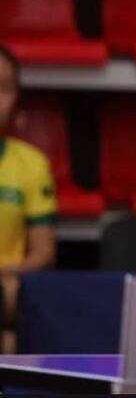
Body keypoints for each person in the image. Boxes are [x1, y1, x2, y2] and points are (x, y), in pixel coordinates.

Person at [0, 46, 57, 353]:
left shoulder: (32, 164)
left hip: (7, 289)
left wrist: (7, 277)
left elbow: (43, 252)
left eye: (3, 88)